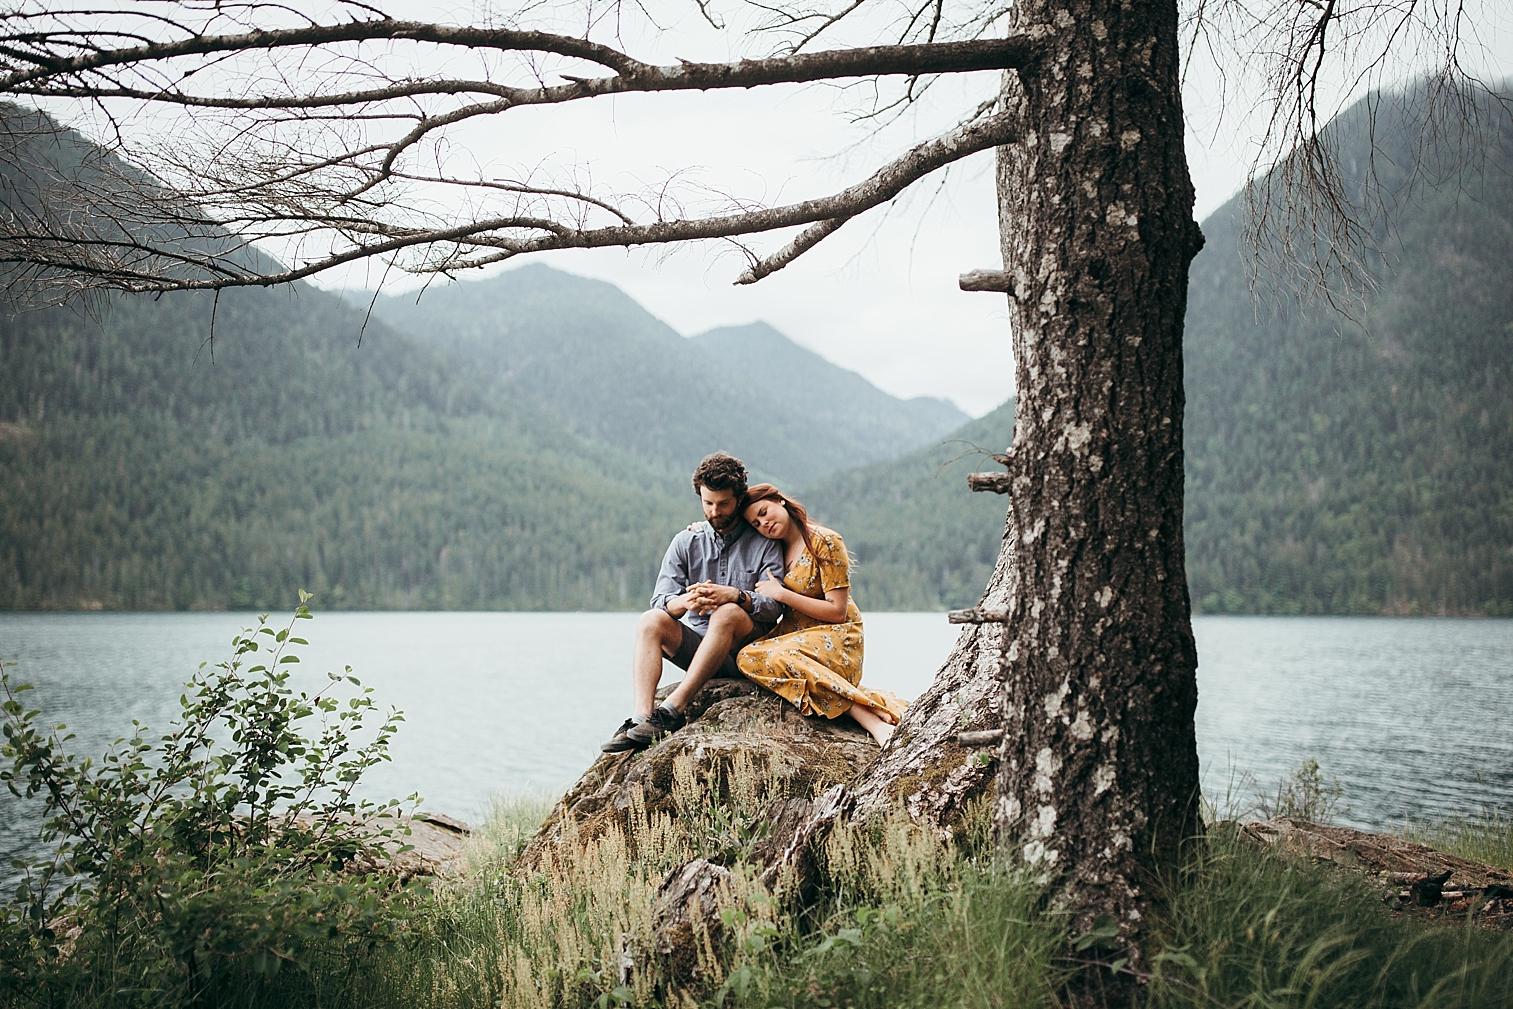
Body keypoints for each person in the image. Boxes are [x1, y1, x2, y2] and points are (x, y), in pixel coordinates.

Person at [600, 452, 786, 753]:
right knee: (650, 620)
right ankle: (642, 719)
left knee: (726, 613)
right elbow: (660, 600)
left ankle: (673, 711)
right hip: (700, 652)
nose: (715, 511)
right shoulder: (686, 542)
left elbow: (776, 607)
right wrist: (685, 601)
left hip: (746, 653)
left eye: (723, 504)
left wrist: (736, 596)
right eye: (708, 503)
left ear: (738, 499)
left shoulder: (764, 541)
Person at [735, 484, 905, 747]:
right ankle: (866, 702)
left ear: (780, 501)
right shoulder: (773, 549)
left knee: (781, 657)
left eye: (764, 512)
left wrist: (782, 595)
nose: (763, 523)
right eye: (756, 523)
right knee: (747, 657)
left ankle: (872, 722)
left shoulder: (825, 541)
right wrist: (698, 530)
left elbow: (837, 611)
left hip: (838, 637)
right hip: (799, 638)